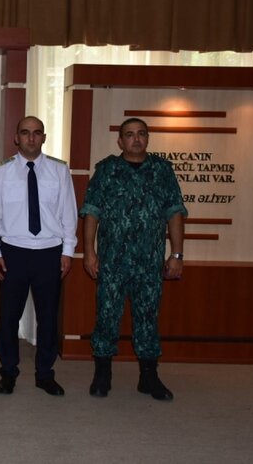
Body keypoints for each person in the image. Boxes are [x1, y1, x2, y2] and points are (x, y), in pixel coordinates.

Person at [80, 117, 187, 401]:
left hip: (149, 261)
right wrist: (89, 252)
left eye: (141, 134)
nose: (136, 139)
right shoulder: (106, 170)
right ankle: (103, 374)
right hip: (112, 260)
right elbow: (92, 212)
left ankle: (149, 377)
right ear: (120, 141)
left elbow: (174, 212)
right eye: (129, 134)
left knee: (148, 317)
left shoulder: (162, 170)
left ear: (147, 138)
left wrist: (176, 254)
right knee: (106, 316)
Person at [0, 116, 78, 396]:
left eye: (37, 133)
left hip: (49, 253)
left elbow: (68, 214)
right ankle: (8, 372)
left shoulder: (59, 170)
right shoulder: (2, 171)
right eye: (25, 133)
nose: (31, 138)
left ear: (44, 138)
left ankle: (45, 374)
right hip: (13, 252)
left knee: (48, 318)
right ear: (16, 138)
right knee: (9, 318)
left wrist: (68, 251)